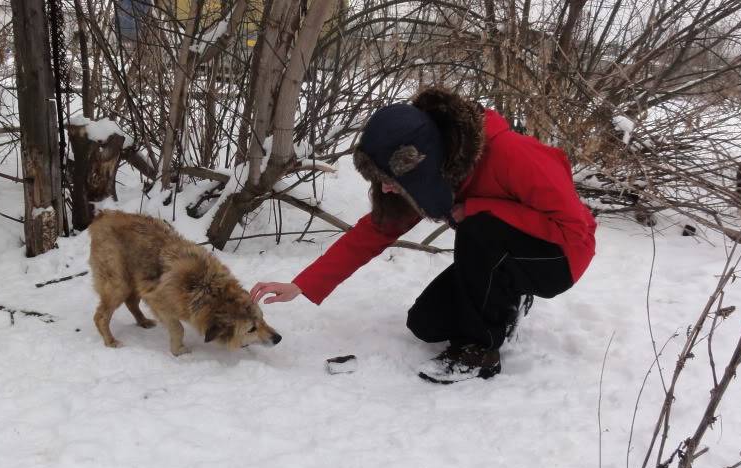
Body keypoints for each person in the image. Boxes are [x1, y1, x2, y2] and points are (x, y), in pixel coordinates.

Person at [251, 87, 597, 383]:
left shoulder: (511, 153)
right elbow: (375, 231)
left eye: (389, 178)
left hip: (560, 257)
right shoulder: (439, 170)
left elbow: (574, 229)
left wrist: (478, 208)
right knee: (426, 324)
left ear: (417, 162)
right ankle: (509, 297)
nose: (385, 187)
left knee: (479, 229)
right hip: (503, 255)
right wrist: (302, 283)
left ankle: (479, 352)